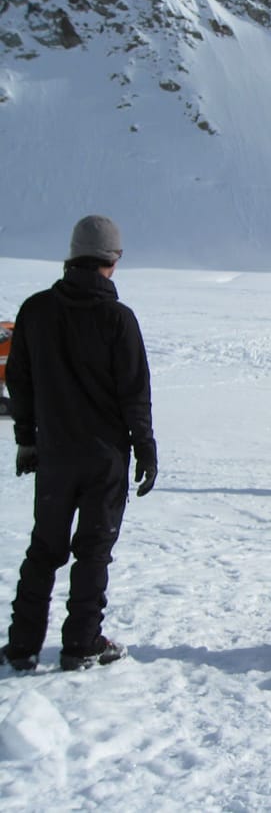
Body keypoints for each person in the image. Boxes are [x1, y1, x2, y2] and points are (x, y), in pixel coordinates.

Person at [1, 215, 157, 672]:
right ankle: (82, 644)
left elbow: (19, 381)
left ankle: (22, 646)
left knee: (44, 548)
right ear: (113, 259)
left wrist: (27, 440)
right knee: (93, 551)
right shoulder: (117, 318)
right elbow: (134, 392)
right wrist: (145, 448)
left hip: (55, 454)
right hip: (104, 458)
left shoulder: (35, 310)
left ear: (72, 256)